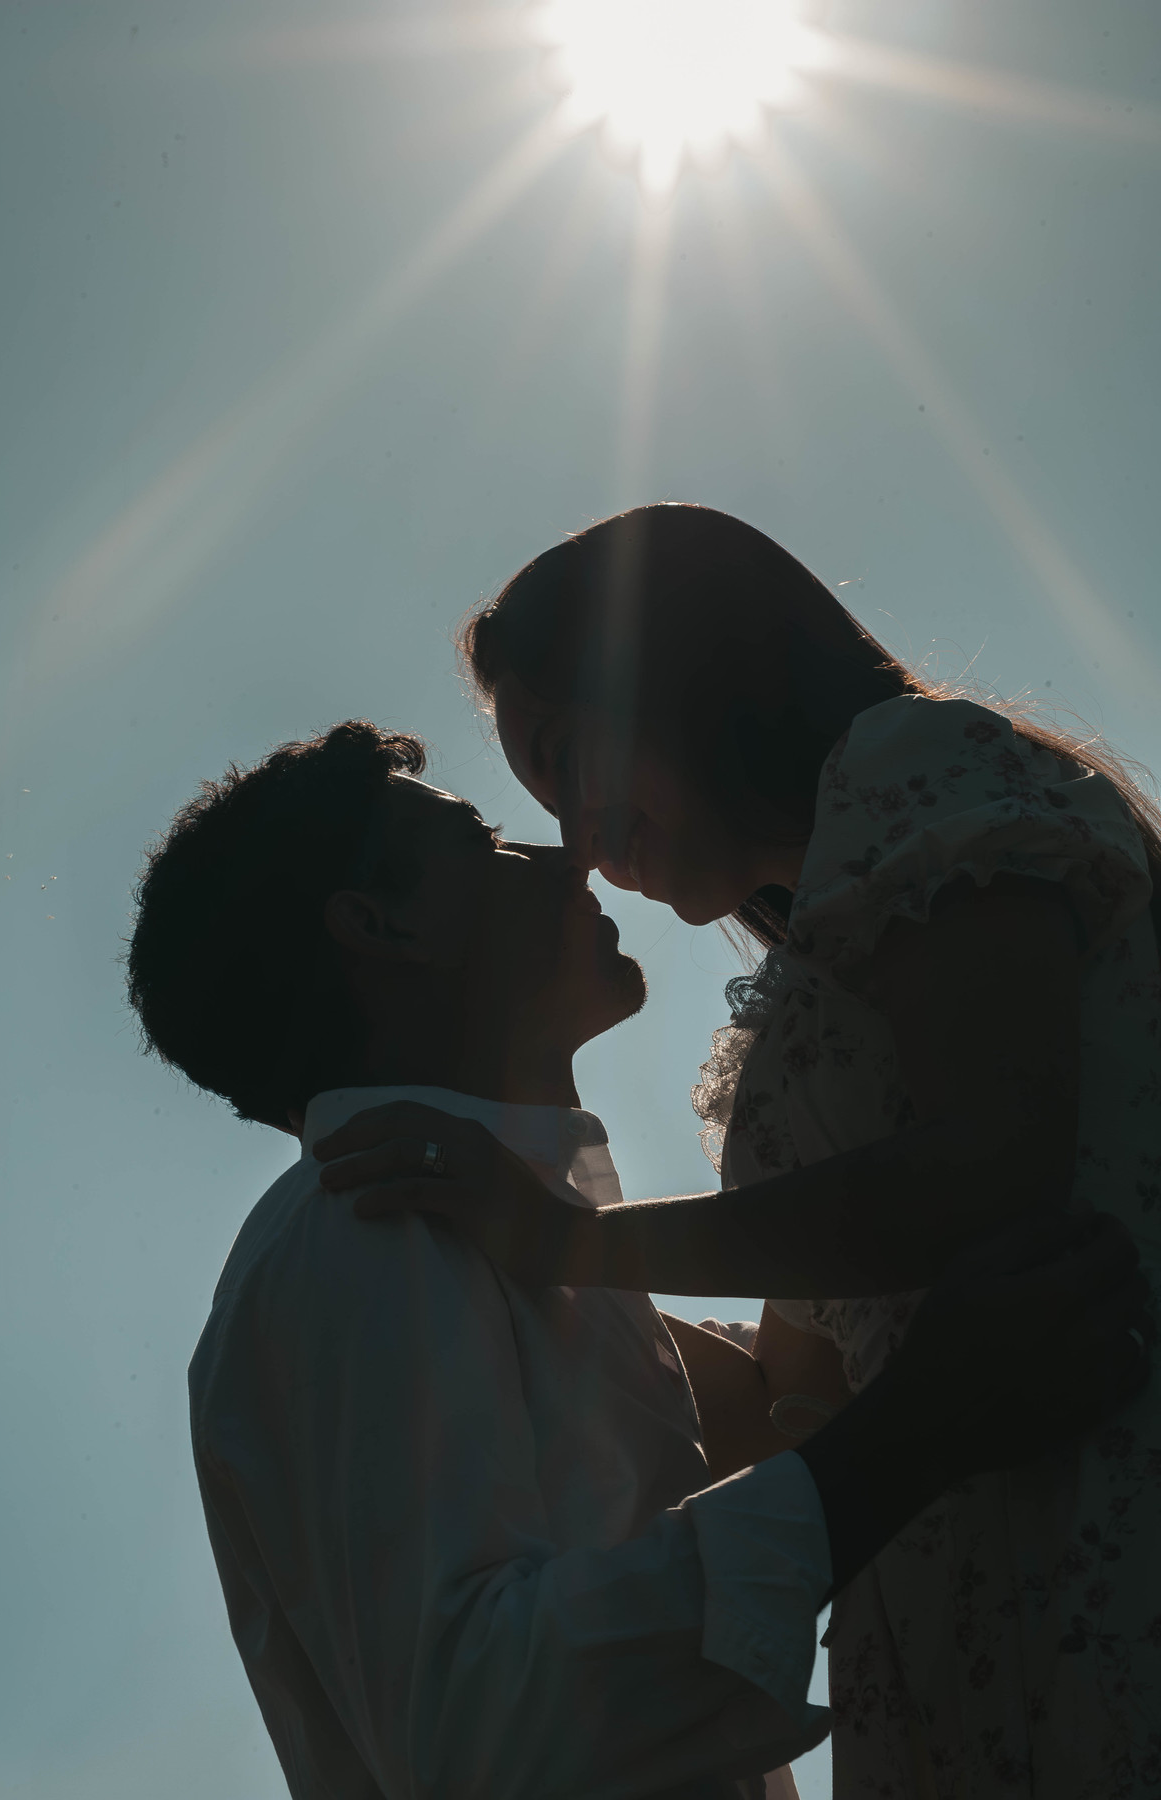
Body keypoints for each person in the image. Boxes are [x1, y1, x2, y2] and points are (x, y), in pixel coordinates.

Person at [127, 719, 1146, 1800]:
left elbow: (767, 1405)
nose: (563, 853)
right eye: (480, 838)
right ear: (381, 925)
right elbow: (479, 1729)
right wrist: (920, 1426)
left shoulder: (487, 1245)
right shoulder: (364, 1222)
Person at [314, 505, 1161, 1798]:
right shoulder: (824, 964)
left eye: (571, 760)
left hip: (1096, 1537)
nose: (582, 842)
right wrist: (492, 1304)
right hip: (962, 1615)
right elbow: (792, 1394)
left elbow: (997, 1157)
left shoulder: (911, 759)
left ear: (681, 672)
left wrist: (568, 1244)